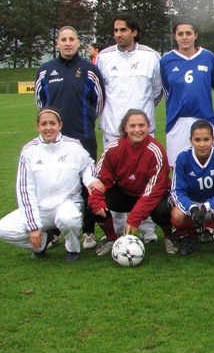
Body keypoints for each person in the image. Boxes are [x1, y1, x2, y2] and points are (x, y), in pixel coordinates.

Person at [34, 26, 105, 250]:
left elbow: (99, 102)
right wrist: (50, 128)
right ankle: (53, 232)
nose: (67, 43)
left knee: (87, 185)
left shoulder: (89, 70)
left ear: (78, 43)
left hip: (83, 136)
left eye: (71, 39)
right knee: (51, 183)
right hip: (53, 141)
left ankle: (88, 232)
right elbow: (41, 103)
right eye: (63, 39)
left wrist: (85, 122)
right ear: (57, 43)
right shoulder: (46, 71)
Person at [0, 108, 102, 262]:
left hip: (67, 203)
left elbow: (87, 164)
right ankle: (43, 243)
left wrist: (90, 180)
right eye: (44, 124)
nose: (48, 128)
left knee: (69, 219)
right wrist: (33, 226)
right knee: (4, 229)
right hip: (41, 208)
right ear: (37, 127)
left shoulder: (73, 145)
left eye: (52, 123)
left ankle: (72, 249)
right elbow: (25, 189)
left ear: (60, 125)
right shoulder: (29, 151)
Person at [96, 13, 163, 242]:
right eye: (115, 30)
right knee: (114, 183)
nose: (118, 35)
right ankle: (117, 230)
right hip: (113, 132)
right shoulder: (104, 57)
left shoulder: (151, 56)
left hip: (143, 132)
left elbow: (157, 91)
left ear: (134, 32)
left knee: (145, 181)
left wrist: (139, 122)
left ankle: (147, 229)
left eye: (123, 30)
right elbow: (101, 94)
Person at [88, 109, 177, 256]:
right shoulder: (112, 149)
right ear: (125, 128)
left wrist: (134, 217)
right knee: (94, 203)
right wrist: (97, 201)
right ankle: (111, 238)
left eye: (141, 125)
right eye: (133, 126)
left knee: (163, 210)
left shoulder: (156, 150)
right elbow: (99, 180)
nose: (137, 130)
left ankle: (169, 235)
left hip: (152, 195)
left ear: (148, 127)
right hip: (125, 193)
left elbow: (154, 189)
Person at [169, 120, 214, 256]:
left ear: (213, 139)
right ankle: (191, 238)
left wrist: (206, 207)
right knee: (176, 215)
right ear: (191, 140)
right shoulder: (182, 157)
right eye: (197, 140)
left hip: (213, 202)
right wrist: (193, 208)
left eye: (206, 139)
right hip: (192, 203)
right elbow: (177, 190)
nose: (202, 144)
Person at [160, 19, 214, 167]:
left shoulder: (208, 57)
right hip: (177, 120)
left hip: (204, 118)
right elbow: (166, 89)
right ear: (175, 36)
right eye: (180, 34)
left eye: (188, 33)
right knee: (177, 167)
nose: (184, 37)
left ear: (195, 35)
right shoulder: (166, 60)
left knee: (208, 165)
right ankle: (178, 191)